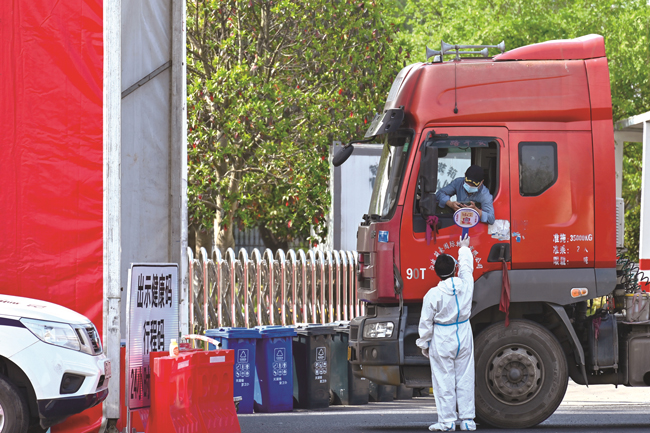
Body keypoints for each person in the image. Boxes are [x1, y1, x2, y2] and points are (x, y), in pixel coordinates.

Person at [416, 234, 476, 432]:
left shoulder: (432, 294)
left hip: (442, 337)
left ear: (437, 272)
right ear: (454, 269)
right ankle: (467, 421)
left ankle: (447, 422)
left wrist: (424, 343)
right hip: (464, 333)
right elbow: (467, 267)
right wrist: (464, 247)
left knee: (444, 380)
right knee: (465, 378)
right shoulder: (466, 285)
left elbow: (426, 323)